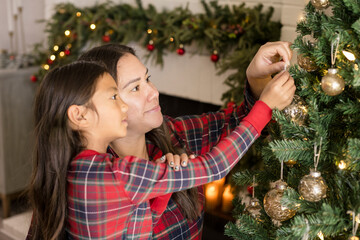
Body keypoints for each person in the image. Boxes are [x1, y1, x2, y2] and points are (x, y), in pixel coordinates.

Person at [27, 45, 294, 239]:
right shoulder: (101, 175)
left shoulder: (174, 136)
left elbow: (238, 119)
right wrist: (266, 106)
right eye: (133, 88)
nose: (154, 92)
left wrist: (256, 77)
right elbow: (216, 166)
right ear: (81, 114)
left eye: (148, 79)